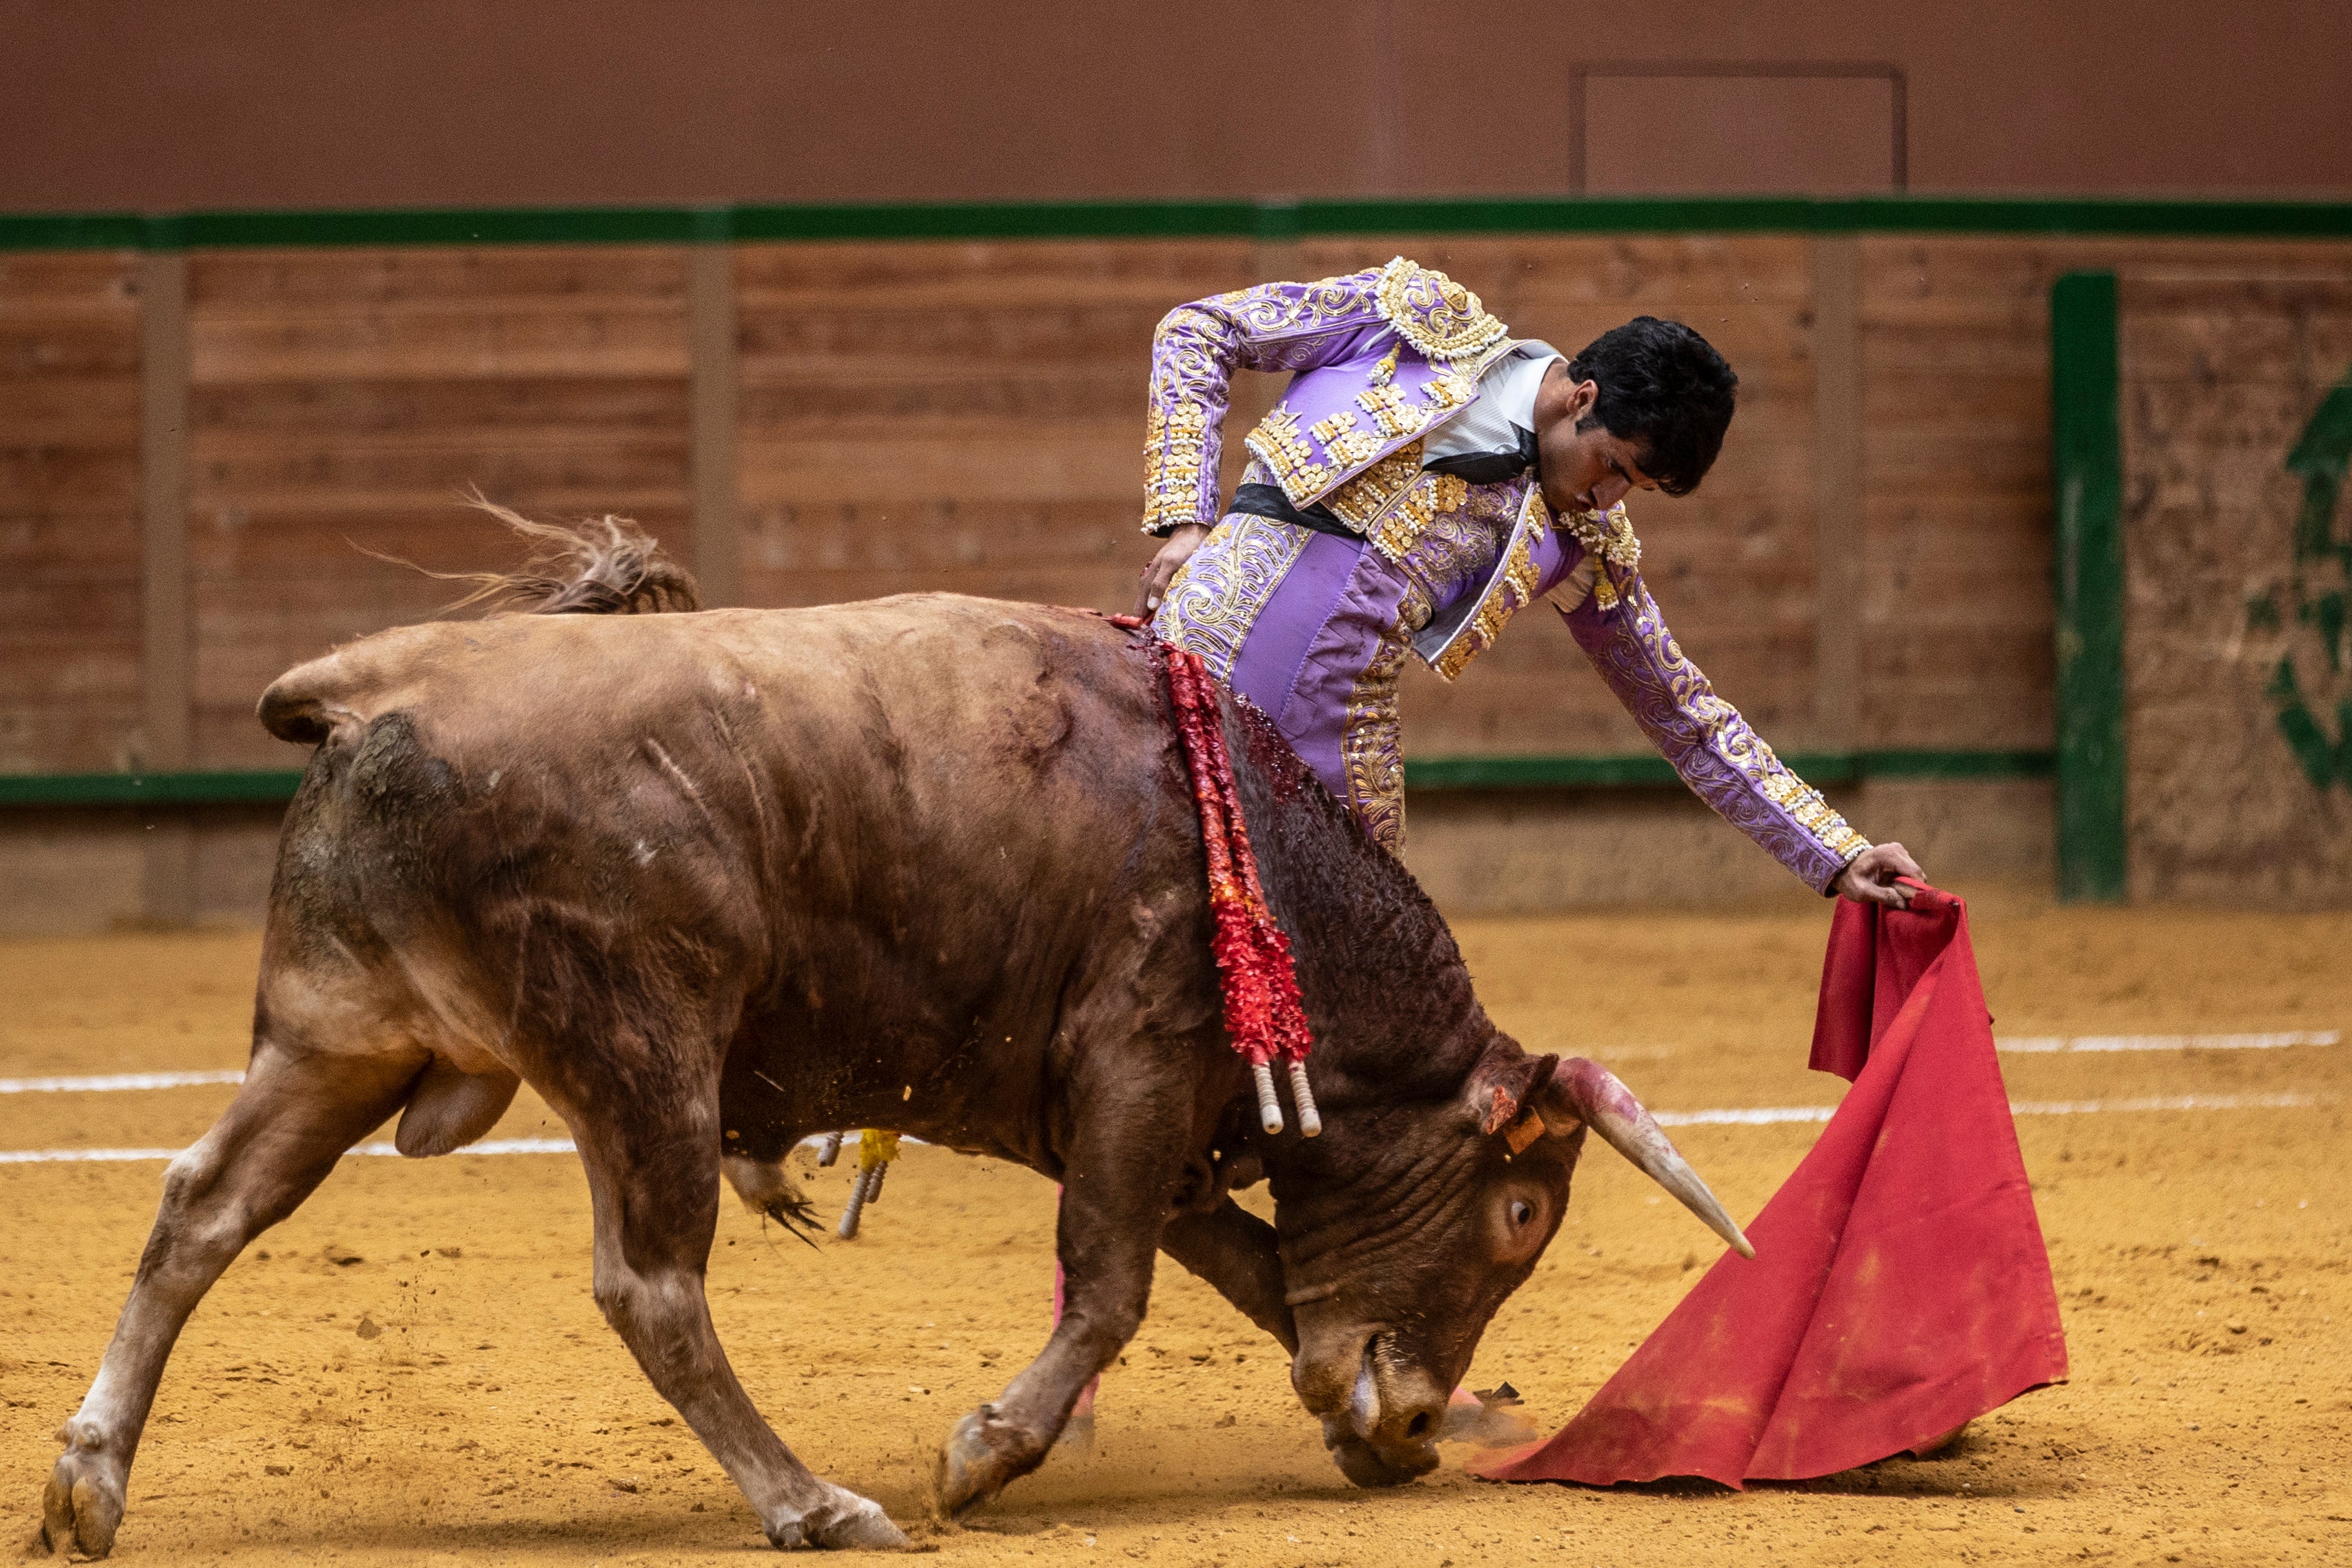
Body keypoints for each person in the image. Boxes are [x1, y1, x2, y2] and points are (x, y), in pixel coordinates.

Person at [1132, 256, 1919, 905]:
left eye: (1633, 491)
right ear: (1583, 397)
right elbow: (1200, 329)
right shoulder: (1418, 323)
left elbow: (1688, 718)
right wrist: (1184, 519)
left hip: (1337, 755)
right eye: (1612, 467)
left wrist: (1835, 853)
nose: (1605, 499)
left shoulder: (1583, 543)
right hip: (1192, 660)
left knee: (1368, 1006)